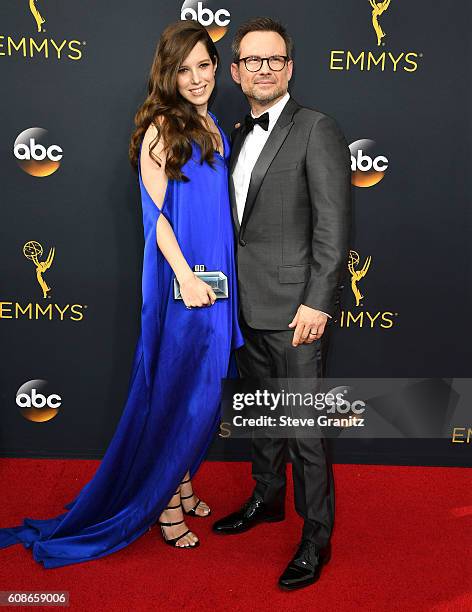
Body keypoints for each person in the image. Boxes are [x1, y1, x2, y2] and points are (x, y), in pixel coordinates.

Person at [0, 20, 243, 567]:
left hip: (216, 281)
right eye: (185, 69)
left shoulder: (211, 124)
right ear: (168, 74)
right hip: (184, 283)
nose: (198, 77)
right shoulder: (162, 128)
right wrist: (183, 275)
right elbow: (156, 216)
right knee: (183, 395)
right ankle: (163, 507)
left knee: (196, 397)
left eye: (204, 65)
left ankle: (176, 485)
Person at [212, 17, 351, 591]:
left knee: (304, 431)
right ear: (238, 71)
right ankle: (266, 501)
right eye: (252, 60)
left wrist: (318, 302)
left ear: (289, 68)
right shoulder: (235, 131)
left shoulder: (316, 128)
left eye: (274, 60)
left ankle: (316, 539)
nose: (263, 69)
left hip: (297, 312)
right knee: (263, 419)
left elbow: (333, 225)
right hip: (244, 308)